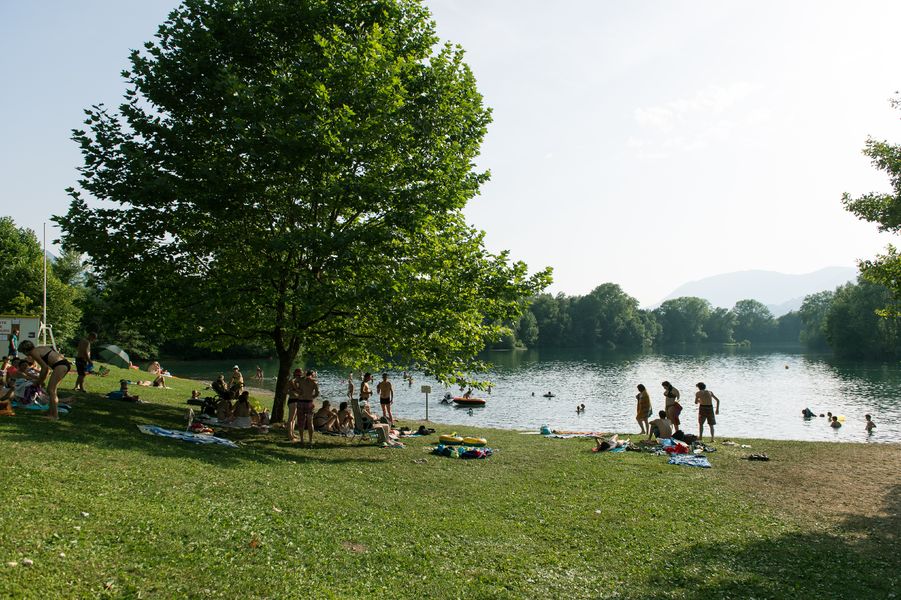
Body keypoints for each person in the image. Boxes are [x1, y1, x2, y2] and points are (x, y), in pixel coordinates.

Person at [17, 340, 71, 419]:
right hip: (63, 364)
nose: (25, 355)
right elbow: (47, 368)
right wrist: (40, 381)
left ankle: (54, 415)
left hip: (60, 365)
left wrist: (39, 381)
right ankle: (50, 411)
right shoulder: (40, 348)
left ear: (25, 350)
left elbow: (45, 368)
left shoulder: (33, 353)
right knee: (52, 390)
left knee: (51, 390)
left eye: (23, 352)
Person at [294, 370, 319, 445]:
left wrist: (298, 390)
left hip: (301, 402)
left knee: (301, 421)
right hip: (309, 402)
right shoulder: (314, 382)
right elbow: (317, 393)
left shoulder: (301, 380)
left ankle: (302, 440)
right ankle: (310, 440)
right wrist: (312, 397)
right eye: (314, 375)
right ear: (312, 375)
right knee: (310, 422)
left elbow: (293, 382)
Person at [286, 368, 304, 442]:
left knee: (293, 419)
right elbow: (285, 390)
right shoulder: (291, 381)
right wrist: (291, 393)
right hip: (292, 401)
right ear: (296, 374)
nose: (300, 376)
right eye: (299, 374)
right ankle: (289, 435)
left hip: (297, 401)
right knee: (291, 419)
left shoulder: (299, 381)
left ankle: (292, 433)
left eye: (300, 375)